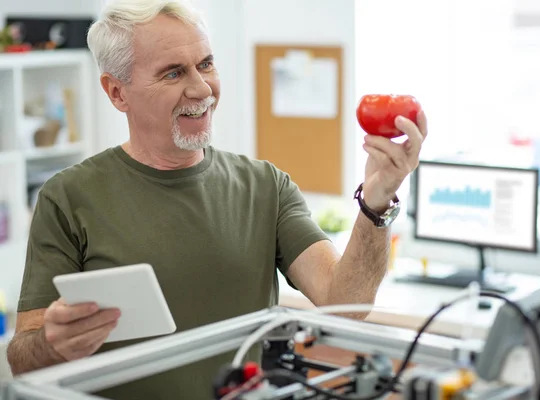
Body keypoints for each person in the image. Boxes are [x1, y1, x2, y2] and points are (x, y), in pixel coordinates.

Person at [6, 0, 427, 398]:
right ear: (117, 93)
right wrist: (52, 343)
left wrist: (376, 201)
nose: (201, 88)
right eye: (173, 73)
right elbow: (24, 359)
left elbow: (344, 306)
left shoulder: (265, 186)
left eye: (205, 64)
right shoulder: (68, 197)